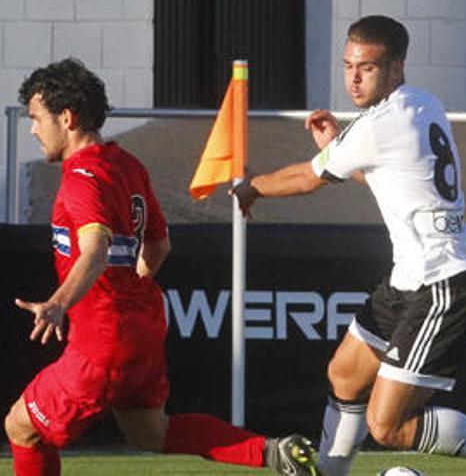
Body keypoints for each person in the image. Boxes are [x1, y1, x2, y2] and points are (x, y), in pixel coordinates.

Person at [233, 15, 466, 476]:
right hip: (408, 280)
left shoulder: (379, 125)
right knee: (345, 374)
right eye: (348, 66)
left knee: (388, 425)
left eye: (368, 68)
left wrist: (250, 185)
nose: (354, 78)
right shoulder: (423, 104)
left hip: (441, 283)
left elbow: (307, 177)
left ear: (396, 68)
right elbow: (388, 173)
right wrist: (340, 144)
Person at [5, 58, 317, 476]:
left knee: (22, 427)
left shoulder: (81, 175)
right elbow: (158, 245)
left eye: (37, 118)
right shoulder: (126, 165)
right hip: (142, 327)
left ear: (67, 117)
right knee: (150, 432)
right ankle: (271, 452)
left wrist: (59, 302)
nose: (32, 129)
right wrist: (127, 293)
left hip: (102, 339)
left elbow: (94, 249)